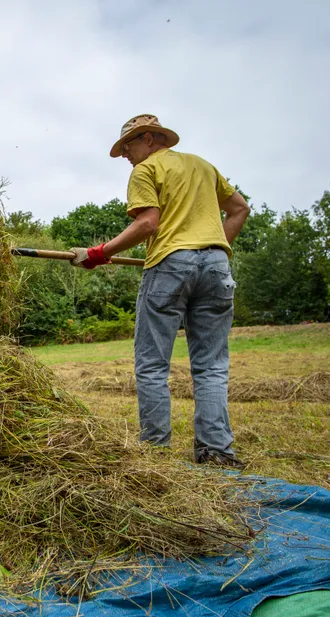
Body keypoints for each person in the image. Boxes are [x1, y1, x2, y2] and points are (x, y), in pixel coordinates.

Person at [70, 114, 251, 468]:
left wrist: (98, 254)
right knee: (211, 366)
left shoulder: (146, 170)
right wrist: (211, 249)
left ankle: (155, 455)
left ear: (151, 139)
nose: (125, 154)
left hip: (170, 266)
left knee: (152, 364)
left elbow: (148, 223)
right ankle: (216, 453)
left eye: (129, 145)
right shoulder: (203, 166)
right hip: (217, 268)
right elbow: (240, 209)